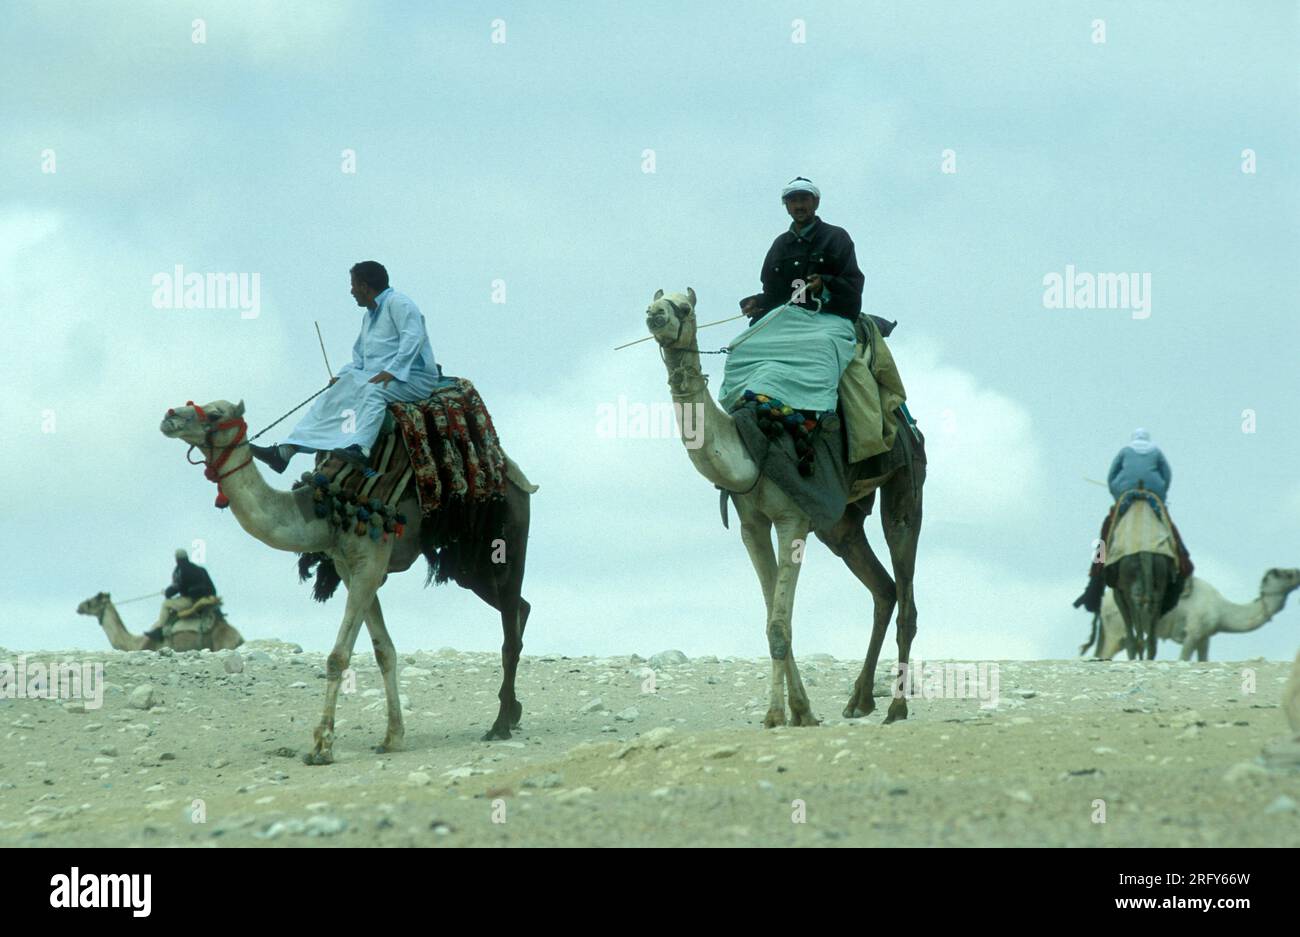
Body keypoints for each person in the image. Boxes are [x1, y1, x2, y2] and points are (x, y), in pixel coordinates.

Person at [250, 261, 450, 474]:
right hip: (378, 375)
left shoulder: (399, 303)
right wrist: (342, 377)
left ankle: (361, 449)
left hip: (412, 377)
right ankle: (286, 450)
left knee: (374, 391)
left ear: (364, 286)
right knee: (335, 393)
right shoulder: (369, 316)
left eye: (353, 285)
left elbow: (413, 338)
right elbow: (360, 360)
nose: (352, 291)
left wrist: (392, 370)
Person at [1074, 429, 1191, 615]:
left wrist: (1117, 493)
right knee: (1169, 526)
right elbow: (1167, 475)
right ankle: (1183, 559)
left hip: (1126, 493)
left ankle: (1096, 577)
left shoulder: (1124, 451)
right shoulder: (1156, 451)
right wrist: (1161, 494)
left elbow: (1111, 477)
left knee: (1107, 529)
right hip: (1153, 493)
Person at [739, 177, 865, 324]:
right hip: (786, 319)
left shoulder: (836, 237)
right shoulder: (779, 245)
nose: (799, 206)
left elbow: (853, 286)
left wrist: (823, 286)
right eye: (793, 201)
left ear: (816, 202)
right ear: (786, 206)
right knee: (743, 345)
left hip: (827, 319)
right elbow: (774, 294)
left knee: (823, 345)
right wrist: (757, 302)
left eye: (804, 199)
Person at [145, 549, 217, 642]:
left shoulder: (180, 571)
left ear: (176, 559)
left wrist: (166, 592)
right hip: (203, 600)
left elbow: (176, 587)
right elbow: (212, 589)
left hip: (190, 601)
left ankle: (159, 630)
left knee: (166, 604)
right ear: (187, 557)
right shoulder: (200, 570)